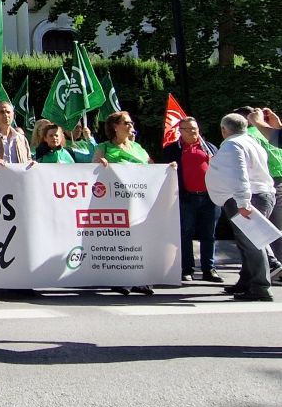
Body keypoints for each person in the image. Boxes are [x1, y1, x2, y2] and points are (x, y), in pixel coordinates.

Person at [206, 114, 276, 301]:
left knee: (252, 243)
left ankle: (260, 287)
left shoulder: (232, 145)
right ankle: (247, 282)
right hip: (260, 194)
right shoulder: (252, 141)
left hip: (247, 198)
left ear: (224, 129)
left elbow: (239, 174)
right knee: (247, 243)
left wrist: (243, 203)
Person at [94, 111, 158, 296]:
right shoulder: (104, 147)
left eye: (131, 123)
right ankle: (121, 279)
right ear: (115, 126)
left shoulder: (138, 148)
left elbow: (153, 167)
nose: (131, 126)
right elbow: (92, 170)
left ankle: (140, 280)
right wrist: (100, 165)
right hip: (116, 202)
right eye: (126, 123)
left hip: (140, 201)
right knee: (120, 240)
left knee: (139, 239)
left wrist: (168, 169)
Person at [161, 117, 222, 283]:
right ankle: (186, 269)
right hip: (185, 198)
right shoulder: (172, 150)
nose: (192, 131)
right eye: (187, 129)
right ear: (179, 132)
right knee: (185, 235)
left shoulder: (209, 147)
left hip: (210, 198)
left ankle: (209, 269)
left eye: (194, 128)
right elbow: (162, 173)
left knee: (209, 235)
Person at [233, 106, 282, 280]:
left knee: (253, 233)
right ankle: (251, 277)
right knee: (275, 230)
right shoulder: (272, 130)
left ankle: (261, 275)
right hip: (276, 182)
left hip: (259, 185)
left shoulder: (247, 136)